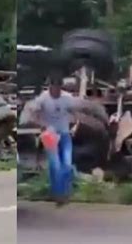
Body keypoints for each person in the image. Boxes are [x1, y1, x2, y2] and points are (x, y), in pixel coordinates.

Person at [28, 73, 96, 206]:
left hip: (64, 133)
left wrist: (75, 124)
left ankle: (66, 191)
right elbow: (33, 113)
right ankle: (58, 194)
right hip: (50, 134)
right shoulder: (43, 98)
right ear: (50, 87)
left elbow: (75, 112)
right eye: (54, 87)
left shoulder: (67, 98)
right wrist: (41, 124)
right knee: (55, 164)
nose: (56, 90)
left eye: (59, 87)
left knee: (67, 163)